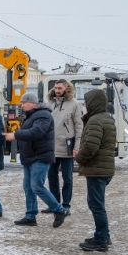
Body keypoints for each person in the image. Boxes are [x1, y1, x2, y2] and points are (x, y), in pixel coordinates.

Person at [3, 92, 67, 228]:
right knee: (28, 187)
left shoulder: (43, 115)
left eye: (24, 102)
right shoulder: (31, 116)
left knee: (37, 186)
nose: (22, 105)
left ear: (33, 103)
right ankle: (30, 216)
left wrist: (15, 135)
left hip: (40, 156)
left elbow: (36, 133)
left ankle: (59, 210)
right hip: (30, 157)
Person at [74, 89, 116, 252]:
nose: (85, 105)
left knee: (96, 205)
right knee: (98, 203)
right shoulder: (106, 118)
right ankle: (104, 235)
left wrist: (79, 158)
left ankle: (101, 239)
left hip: (97, 169)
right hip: (104, 168)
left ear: (93, 103)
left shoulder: (95, 121)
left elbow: (91, 146)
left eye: (86, 102)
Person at [42, 79, 83, 215]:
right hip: (51, 148)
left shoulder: (75, 104)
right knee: (52, 176)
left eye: (60, 88)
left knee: (68, 178)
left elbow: (79, 126)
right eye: (56, 88)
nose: (57, 91)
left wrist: (77, 146)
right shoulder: (50, 103)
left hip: (67, 147)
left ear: (66, 88)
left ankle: (66, 205)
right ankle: (54, 204)